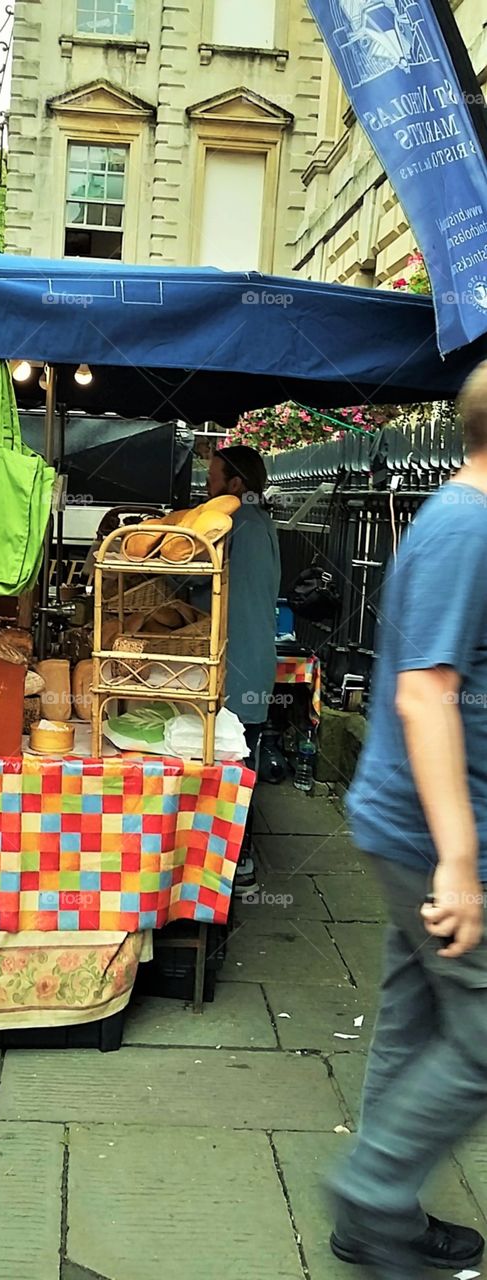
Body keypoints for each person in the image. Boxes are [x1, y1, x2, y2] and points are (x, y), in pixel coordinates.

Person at [329, 361, 487, 1279]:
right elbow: (425, 696)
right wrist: (459, 866)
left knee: (417, 1018)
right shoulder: (469, 531)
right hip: (435, 835)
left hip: (419, 827)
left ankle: (375, 1216)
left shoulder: (460, 520)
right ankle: (374, 1189)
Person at [195, 445, 281, 896]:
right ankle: (239, 858)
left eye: (212, 479)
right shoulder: (262, 522)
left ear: (235, 484)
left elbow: (197, 585)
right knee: (243, 762)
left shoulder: (230, 525)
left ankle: (232, 863)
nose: (206, 487)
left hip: (235, 667)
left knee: (232, 765)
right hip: (255, 662)